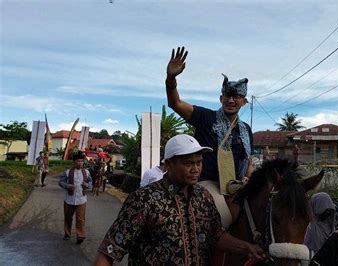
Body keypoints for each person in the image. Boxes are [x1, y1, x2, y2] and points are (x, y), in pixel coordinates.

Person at [93, 134, 264, 265]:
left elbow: (215, 236)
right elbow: (109, 251)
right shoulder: (144, 200)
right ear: (168, 165)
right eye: (188, 163)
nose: (196, 169)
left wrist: (247, 248)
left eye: (199, 162)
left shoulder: (204, 197)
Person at [165, 47, 253, 189]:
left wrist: (248, 178)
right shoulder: (206, 117)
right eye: (227, 96)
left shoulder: (246, 130)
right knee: (221, 210)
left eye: (236, 97)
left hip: (237, 185)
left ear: (244, 102)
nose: (231, 100)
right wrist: (171, 79)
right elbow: (176, 104)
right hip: (208, 184)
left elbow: (249, 162)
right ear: (220, 98)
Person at [58, 151, 92, 245]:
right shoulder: (67, 172)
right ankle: (67, 234)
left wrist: (87, 185)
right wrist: (67, 186)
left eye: (81, 161)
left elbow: (91, 184)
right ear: (74, 162)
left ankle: (80, 236)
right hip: (69, 199)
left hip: (81, 199)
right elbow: (60, 182)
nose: (80, 163)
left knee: (80, 219)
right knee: (68, 218)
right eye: (78, 161)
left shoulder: (87, 172)